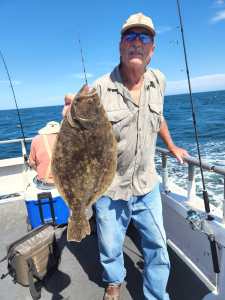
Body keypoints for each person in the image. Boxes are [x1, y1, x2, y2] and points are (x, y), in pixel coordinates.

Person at [90, 13, 189, 300]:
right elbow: (82, 134)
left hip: (147, 184)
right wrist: (71, 118)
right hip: (110, 187)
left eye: (144, 37)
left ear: (152, 49)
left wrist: (170, 145)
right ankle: (113, 281)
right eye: (130, 37)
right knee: (110, 245)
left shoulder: (159, 80)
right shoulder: (98, 88)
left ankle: (156, 295)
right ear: (120, 45)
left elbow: (158, 118)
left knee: (158, 245)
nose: (137, 42)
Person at [29, 121, 60, 190]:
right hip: (65, 183)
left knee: (34, 179)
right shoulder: (67, 138)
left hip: (47, 184)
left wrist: (40, 172)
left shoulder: (36, 139)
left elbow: (31, 163)